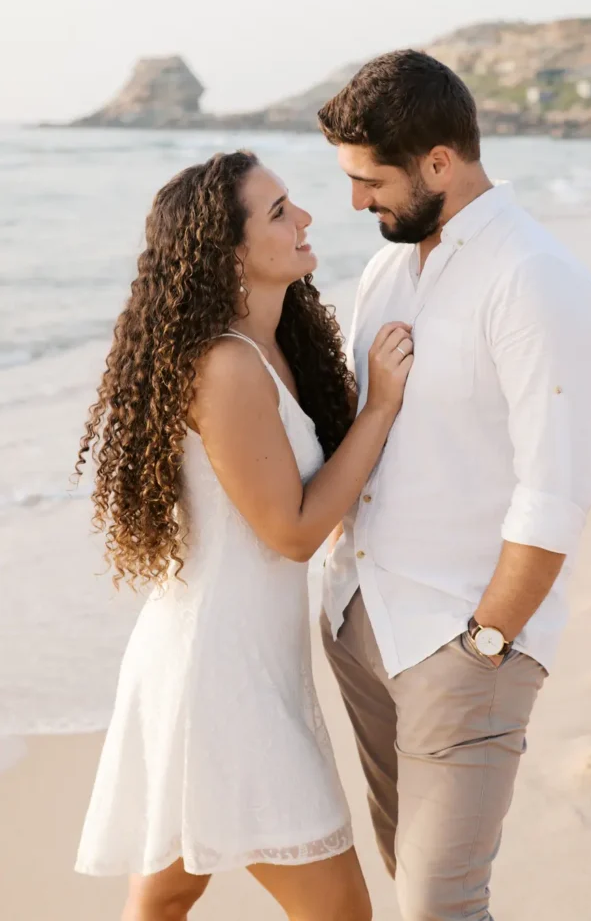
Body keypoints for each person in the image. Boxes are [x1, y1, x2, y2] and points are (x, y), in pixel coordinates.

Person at [74, 150, 414, 921]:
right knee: (338, 912)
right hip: (217, 675)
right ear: (225, 251)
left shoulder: (275, 351)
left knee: (164, 893)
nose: (305, 218)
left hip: (239, 659)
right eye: (278, 211)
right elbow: (291, 532)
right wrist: (380, 409)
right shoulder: (227, 366)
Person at [318, 51, 591, 921]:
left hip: (463, 639)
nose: (357, 202)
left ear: (439, 161)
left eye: (371, 180)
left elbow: (554, 486)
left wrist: (487, 642)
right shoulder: (387, 267)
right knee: (404, 872)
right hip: (363, 621)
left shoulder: (532, 277)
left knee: (438, 907)